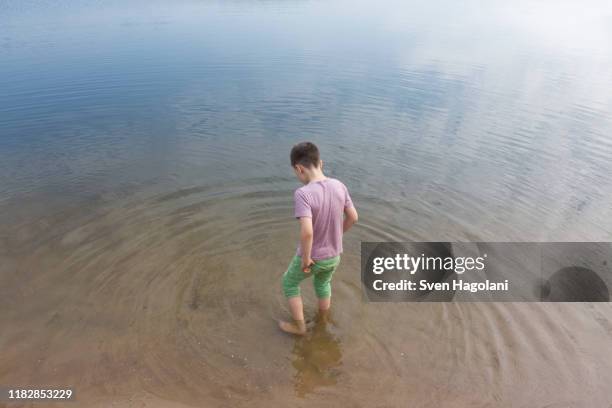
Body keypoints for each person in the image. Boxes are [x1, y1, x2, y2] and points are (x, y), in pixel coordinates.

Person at [279, 142, 358, 335]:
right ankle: (323, 318)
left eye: (296, 172)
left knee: (289, 283)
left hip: (314, 256)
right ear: (320, 163)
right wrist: (336, 235)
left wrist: (306, 258)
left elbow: (307, 232)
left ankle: (299, 326)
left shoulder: (303, 194)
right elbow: (353, 217)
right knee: (323, 283)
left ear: (299, 168)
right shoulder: (339, 185)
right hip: (334, 255)